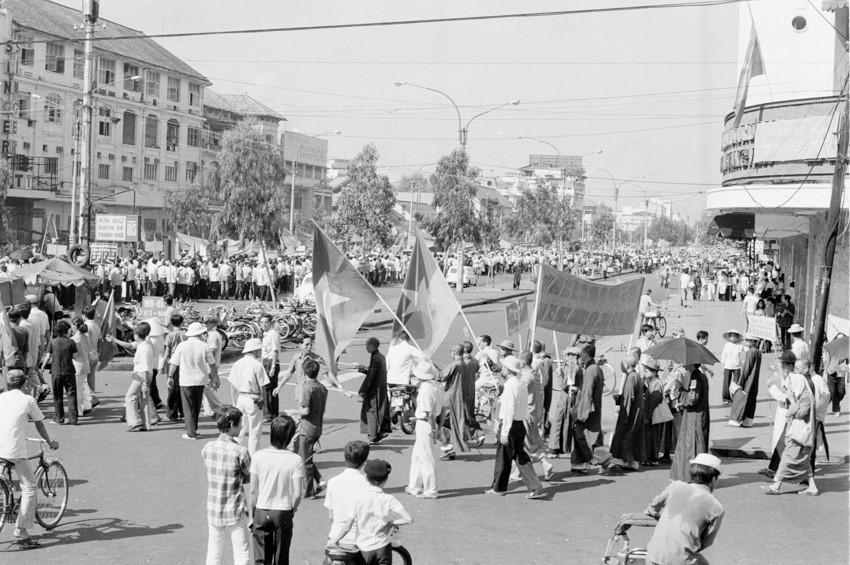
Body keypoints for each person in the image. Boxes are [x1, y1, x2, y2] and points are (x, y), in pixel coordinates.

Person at [0, 369, 59, 545]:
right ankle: (21, 530)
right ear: (25, 383)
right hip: (14, 450)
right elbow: (39, 424)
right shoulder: (27, 400)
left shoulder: (1, 398)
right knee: (30, 486)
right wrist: (50, 442)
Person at [328, 459, 414, 565]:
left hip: (364, 549)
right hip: (383, 548)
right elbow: (409, 519)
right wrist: (392, 523)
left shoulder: (357, 499)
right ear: (385, 480)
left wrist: (335, 540)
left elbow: (347, 527)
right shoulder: (389, 499)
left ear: (366, 477)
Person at [644, 453, 725, 565]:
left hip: (653, 556)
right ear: (714, 479)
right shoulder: (716, 507)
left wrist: (659, 516)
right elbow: (706, 542)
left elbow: (653, 507)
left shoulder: (675, 486)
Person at [485, 356, 545, 499]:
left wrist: (505, 431)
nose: (502, 370)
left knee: (503, 458)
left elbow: (508, 410)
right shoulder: (520, 384)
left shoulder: (510, 385)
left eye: (504, 367)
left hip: (510, 424)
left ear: (508, 369)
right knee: (520, 456)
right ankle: (534, 485)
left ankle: (499, 487)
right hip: (519, 423)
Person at [250, 414, 303, 565]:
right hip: (283, 511)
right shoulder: (295, 459)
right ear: (289, 436)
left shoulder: (258, 456)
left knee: (261, 558)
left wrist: (251, 516)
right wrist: (293, 508)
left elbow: (253, 490)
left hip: (261, 510)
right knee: (282, 556)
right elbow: (298, 493)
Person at [201, 407, 252, 565]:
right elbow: (249, 476)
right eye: (239, 424)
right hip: (234, 507)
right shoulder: (241, 451)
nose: (242, 426)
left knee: (214, 552)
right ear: (231, 424)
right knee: (242, 553)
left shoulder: (207, 448)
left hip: (214, 507)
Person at [762, 365, 819, 496]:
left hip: (798, 436)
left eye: (792, 385)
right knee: (804, 461)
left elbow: (799, 413)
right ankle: (812, 486)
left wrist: (792, 402)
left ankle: (776, 485)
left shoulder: (805, 397)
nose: (791, 388)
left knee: (787, 458)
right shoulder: (803, 395)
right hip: (800, 435)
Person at [286, 358, 327, 499]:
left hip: (307, 427)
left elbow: (305, 410)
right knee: (305, 456)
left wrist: (293, 412)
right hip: (318, 426)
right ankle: (319, 480)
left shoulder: (307, 387)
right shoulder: (322, 388)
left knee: (305, 461)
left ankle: (309, 490)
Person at [169, 322, 217, 440]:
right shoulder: (204, 345)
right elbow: (212, 363)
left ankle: (191, 433)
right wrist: (215, 377)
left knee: (188, 408)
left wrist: (170, 377)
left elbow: (174, 363)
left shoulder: (182, 345)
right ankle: (193, 429)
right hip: (201, 380)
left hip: (186, 380)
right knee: (196, 406)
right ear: (200, 333)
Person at [405, 361, 444, 499]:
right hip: (428, 421)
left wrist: (434, 429)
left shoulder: (425, 390)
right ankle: (414, 485)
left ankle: (431, 490)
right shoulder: (437, 387)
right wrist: (438, 426)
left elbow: (428, 414)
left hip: (425, 423)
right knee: (417, 456)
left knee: (426, 458)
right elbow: (443, 409)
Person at [670, 363, 711, 482]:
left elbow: (692, 399)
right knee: (695, 444)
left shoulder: (696, 378)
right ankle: (696, 475)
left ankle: (692, 475)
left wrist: (680, 390)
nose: (684, 364)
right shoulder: (701, 376)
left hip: (695, 417)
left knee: (692, 445)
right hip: (698, 414)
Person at [325, 441, 371, 547]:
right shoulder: (368, 484)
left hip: (336, 537)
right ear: (365, 462)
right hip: (359, 540)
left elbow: (331, 516)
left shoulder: (333, 481)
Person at [228, 338, 269, 455]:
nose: (261, 351)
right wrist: (264, 404)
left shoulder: (237, 363)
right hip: (254, 398)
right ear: (255, 350)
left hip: (241, 397)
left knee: (238, 428)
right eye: (259, 349)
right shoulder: (257, 365)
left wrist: (234, 403)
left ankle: (234, 452)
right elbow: (262, 387)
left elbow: (232, 386)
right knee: (255, 430)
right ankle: (252, 457)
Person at [571, 343, 605, 473]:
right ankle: (582, 463)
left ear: (585, 354)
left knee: (583, 435)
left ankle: (598, 460)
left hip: (588, 409)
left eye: (581, 353)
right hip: (593, 407)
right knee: (592, 436)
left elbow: (588, 393)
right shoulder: (596, 368)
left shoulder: (591, 370)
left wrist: (582, 413)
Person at [609, 352, 646, 471]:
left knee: (623, 436)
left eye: (622, 363)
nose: (620, 365)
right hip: (636, 411)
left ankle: (624, 461)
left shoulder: (631, 378)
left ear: (627, 364)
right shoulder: (636, 376)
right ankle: (628, 461)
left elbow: (629, 398)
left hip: (631, 413)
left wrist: (623, 416)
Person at [40, 319, 77, 425]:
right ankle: (73, 418)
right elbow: (74, 356)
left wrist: (42, 366)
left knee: (57, 395)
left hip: (56, 371)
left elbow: (48, 356)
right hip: (69, 370)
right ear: (66, 331)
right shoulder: (71, 341)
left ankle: (59, 418)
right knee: (72, 394)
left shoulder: (53, 341)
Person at [356, 337, 391, 445]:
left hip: (374, 390)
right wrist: (363, 369)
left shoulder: (375, 358)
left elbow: (371, 376)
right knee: (379, 410)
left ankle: (373, 435)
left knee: (371, 411)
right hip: (380, 388)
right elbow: (373, 371)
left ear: (372, 346)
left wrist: (362, 391)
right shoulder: (380, 356)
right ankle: (379, 432)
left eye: (367, 345)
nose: (366, 347)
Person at [728, 333, 762, 427]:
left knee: (743, 398)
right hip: (754, 379)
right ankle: (748, 420)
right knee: (751, 398)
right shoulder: (758, 352)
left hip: (748, 380)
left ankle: (738, 419)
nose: (745, 342)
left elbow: (746, 369)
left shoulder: (751, 352)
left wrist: (740, 382)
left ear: (752, 342)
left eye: (747, 340)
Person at [162, 313, 187, 422]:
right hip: (183, 363)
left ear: (171, 323)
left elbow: (167, 352)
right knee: (182, 387)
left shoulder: (170, 336)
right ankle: (182, 412)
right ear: (182, 323)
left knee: (172, 388)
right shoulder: (185, 335)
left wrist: (161, 366)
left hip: (172, 363)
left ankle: (172, 413)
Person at [259, 314, 281, 423]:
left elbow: (275, 351)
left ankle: (269, 415)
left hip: (271, 362)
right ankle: (272, 414)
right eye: (262, 322)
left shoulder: (273, 334)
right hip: (265, 362)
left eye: (266, 322)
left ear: (271, 323)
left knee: (267, 389)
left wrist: (273, 366)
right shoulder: (266, 333)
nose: (263, 324)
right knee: (269, 389)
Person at [719, 329, 743, 403]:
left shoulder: (740, 345)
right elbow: (723, 356)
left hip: (737, 366)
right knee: (726, 383)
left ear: (737, 337)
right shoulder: (727, 345)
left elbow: (748, 350)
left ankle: (735, 397)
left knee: (736, 383)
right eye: (731, 336)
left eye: (734, 336)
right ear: (729, 337)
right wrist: (722, 366)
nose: (733, 337)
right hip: (727, 366)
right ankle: (726, 398)